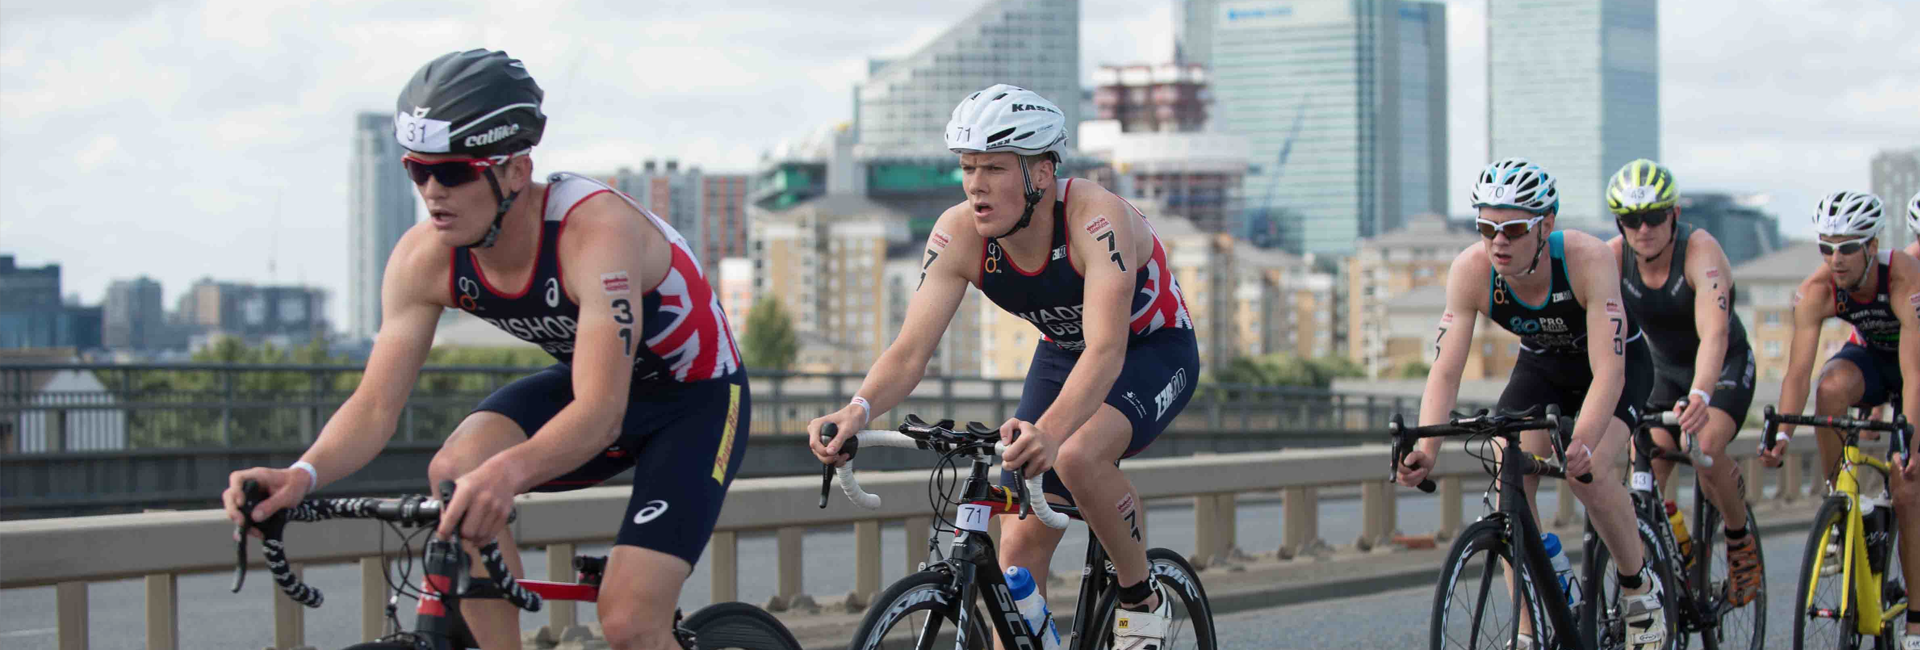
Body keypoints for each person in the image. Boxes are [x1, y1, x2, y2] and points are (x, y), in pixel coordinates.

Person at [222, 49, 748, 650]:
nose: (431, 191)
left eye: (453, 172)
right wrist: (301, 475)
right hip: (596, 387)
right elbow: (373, 408)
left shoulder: (594, 234)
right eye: (416, 169)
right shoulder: (424, 259)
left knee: (629, 621)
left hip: (697, 401)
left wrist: (506, 471)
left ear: (516, 171)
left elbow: (601, 412)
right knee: (454, 470)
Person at [806, 84, 1199, 650]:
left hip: (1152, 349)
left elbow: (1108, 350)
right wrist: (858, 409)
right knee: (1014, 551)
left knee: (1079, 453)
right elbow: (910, 351)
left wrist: (1051, 431)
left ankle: (1142, 600)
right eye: (967, 168)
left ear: (1040, 174)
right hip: (1065, 353)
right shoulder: (960, 233)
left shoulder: (1095, 219)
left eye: (993, 168)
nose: (975, 185)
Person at [1395, 158, 1665, 650]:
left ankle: (1638, 588)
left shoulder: (1586, 259)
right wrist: (1426, 447)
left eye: (1513, 228)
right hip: (1544, 367)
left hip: (1613, 368)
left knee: (1592, 471)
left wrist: (1582, 441)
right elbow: (1447, 367)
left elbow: (1610, 369)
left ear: (1546, 225)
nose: (1498, 240)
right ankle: (1530, 625)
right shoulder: (1470, 271)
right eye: (1485, 227)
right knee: (1507, 463)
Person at [1757, 191, 1920, 647]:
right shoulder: (1817, 290)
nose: (1836, 259)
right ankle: (1841, 498)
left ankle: (1917, 623)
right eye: (1826, 247)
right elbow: (1798, 372)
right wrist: (1783, 433)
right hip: (1869, 360)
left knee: (1906, 487)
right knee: (1829, 389)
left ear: (1872, 246)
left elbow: (1914, 373)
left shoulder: (1905, 278)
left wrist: (1909, 440)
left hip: (1913, 366)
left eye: (1847, 247)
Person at [1603, 159, 1761, 604]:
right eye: (1632, 220)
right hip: (1663, 372)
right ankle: (1677, 548)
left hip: (1722, 366)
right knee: (1645, 467)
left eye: (1654, 217)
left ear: (1673, 215)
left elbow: (1714, 334)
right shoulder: (1613, 258)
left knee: (1706, 448)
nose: (1644, 229)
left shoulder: (1701, 251)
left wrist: (1701, 394)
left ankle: (1738, 539)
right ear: (1620, 223)